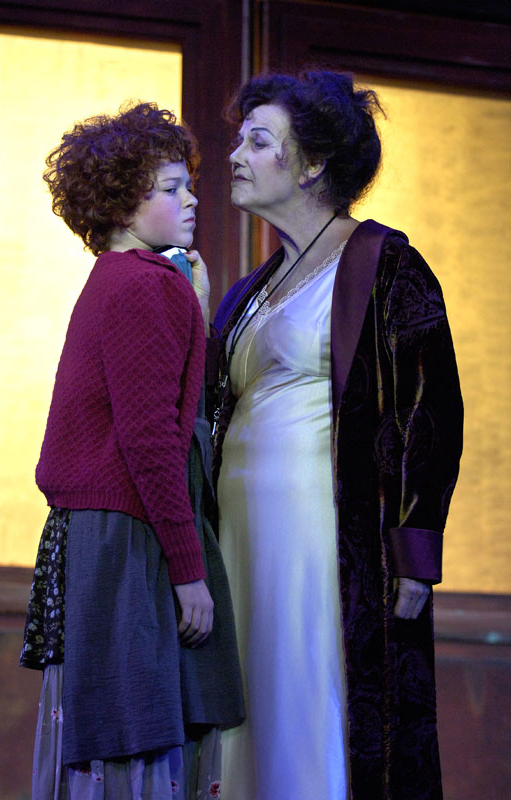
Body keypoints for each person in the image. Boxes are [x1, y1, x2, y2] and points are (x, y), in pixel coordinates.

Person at [211, 71, 463, 800]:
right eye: (239, 139)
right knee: (246, 715)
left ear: (312, 163)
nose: (235, 155)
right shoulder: (252, 288)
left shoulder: (385, 264)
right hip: (240, 537)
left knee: (311, 710)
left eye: (258, 141)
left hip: (322, 542)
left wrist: (412, 552)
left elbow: (428, 411)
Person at [20, 101, 244, 800]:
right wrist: (188, 569)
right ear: (121, 204)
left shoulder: (121, 280)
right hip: (127, 535)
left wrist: (194, 312)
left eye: (188, 184)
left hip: (104, 530)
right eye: (170, 187)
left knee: (116, 733)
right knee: (134, 730)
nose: (191, 198)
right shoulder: (145, 287)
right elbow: (151, 442)